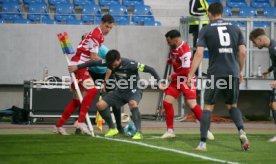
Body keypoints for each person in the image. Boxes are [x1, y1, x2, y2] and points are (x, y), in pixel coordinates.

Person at [187, 2, 249, 151]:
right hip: (232, 71)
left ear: (209, 13)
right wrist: (240, 71)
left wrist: (190, 74)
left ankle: (202, 144)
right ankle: (241, 131)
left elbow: (199, 53)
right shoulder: (235, 28)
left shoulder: (206, 29)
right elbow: (242, 52)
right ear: (222, 12)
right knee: (232, 106)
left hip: (216, 73)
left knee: (208, 107)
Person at [69, 49, 162, 139]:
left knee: (133, 103)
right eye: (111, 65)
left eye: (114, 64)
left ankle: (139, 132)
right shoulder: (109, 62)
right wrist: (77, 67)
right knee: (100, 105)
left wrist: (159, 82)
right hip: (120, 91)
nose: (113, 67)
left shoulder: (131, 64)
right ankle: (113, 128)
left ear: (119, 59)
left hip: (134, 90)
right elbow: (93, 63)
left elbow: (151, 69)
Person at [54, 14, 114, 135]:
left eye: (110, 28)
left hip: (77, 64)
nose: (108, 30)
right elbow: (93, 58)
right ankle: (80, 121)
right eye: (106, 26)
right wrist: (107, 63)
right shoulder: (96, 36)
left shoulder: (98, 35)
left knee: (77, 101)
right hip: (79, 66)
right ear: (101, 23)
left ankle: (59, 126)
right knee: (92, 90)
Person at [161, 29, 214, 140]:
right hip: (177, 80)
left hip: (187, 79)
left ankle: (206, 129)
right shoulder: (174, 47)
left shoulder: (185, 51)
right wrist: (171, 61)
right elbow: (177, 60)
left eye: (169, 42)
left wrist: (173, 77)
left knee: (192, 104)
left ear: (175, 40)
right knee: (167, 102)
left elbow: (186, 71)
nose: (168, 44)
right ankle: (170, 131)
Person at [87, 44, 124, 134]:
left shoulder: (103, 50)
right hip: (92, 73)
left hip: (107, 73)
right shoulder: (84, 49)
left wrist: (104, 82)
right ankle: (81, 125)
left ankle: (119, 126)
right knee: (86, 97)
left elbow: (110, 68)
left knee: (114, 98)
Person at [249, 28, 276, 142]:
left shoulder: (274, 48)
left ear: (259, 39)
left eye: (254, 42)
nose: (255, 45)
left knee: (274, 104)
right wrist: (268, 70)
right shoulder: (272, 47)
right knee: (273, 104)